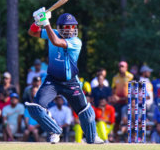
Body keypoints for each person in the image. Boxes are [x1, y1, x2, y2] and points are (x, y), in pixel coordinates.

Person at [24, 8, 103, 144]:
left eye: (72, 27)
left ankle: (92, 137)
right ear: (59, 27)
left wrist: (46, 22)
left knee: (85, 112)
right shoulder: (53, 32)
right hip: (52, 81)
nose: (69, 30)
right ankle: (54, 130)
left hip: (70, 82)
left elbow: (56, 42)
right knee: (35, 108)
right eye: (66, 27)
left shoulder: (76, 42)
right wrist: (37, 22)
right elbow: (32, 32)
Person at [110, 61, 133, 140]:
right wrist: (114, 96)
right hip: (118, 103)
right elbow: (113, 89)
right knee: (116, 120)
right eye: (119, 66)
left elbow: (133, 90)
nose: (121, 68)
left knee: (127, 121)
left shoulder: (131, 77)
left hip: (128, 102)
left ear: (126, 67)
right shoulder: (115, 77)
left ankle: (127, 138)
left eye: (122, 66)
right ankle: (116, 138)